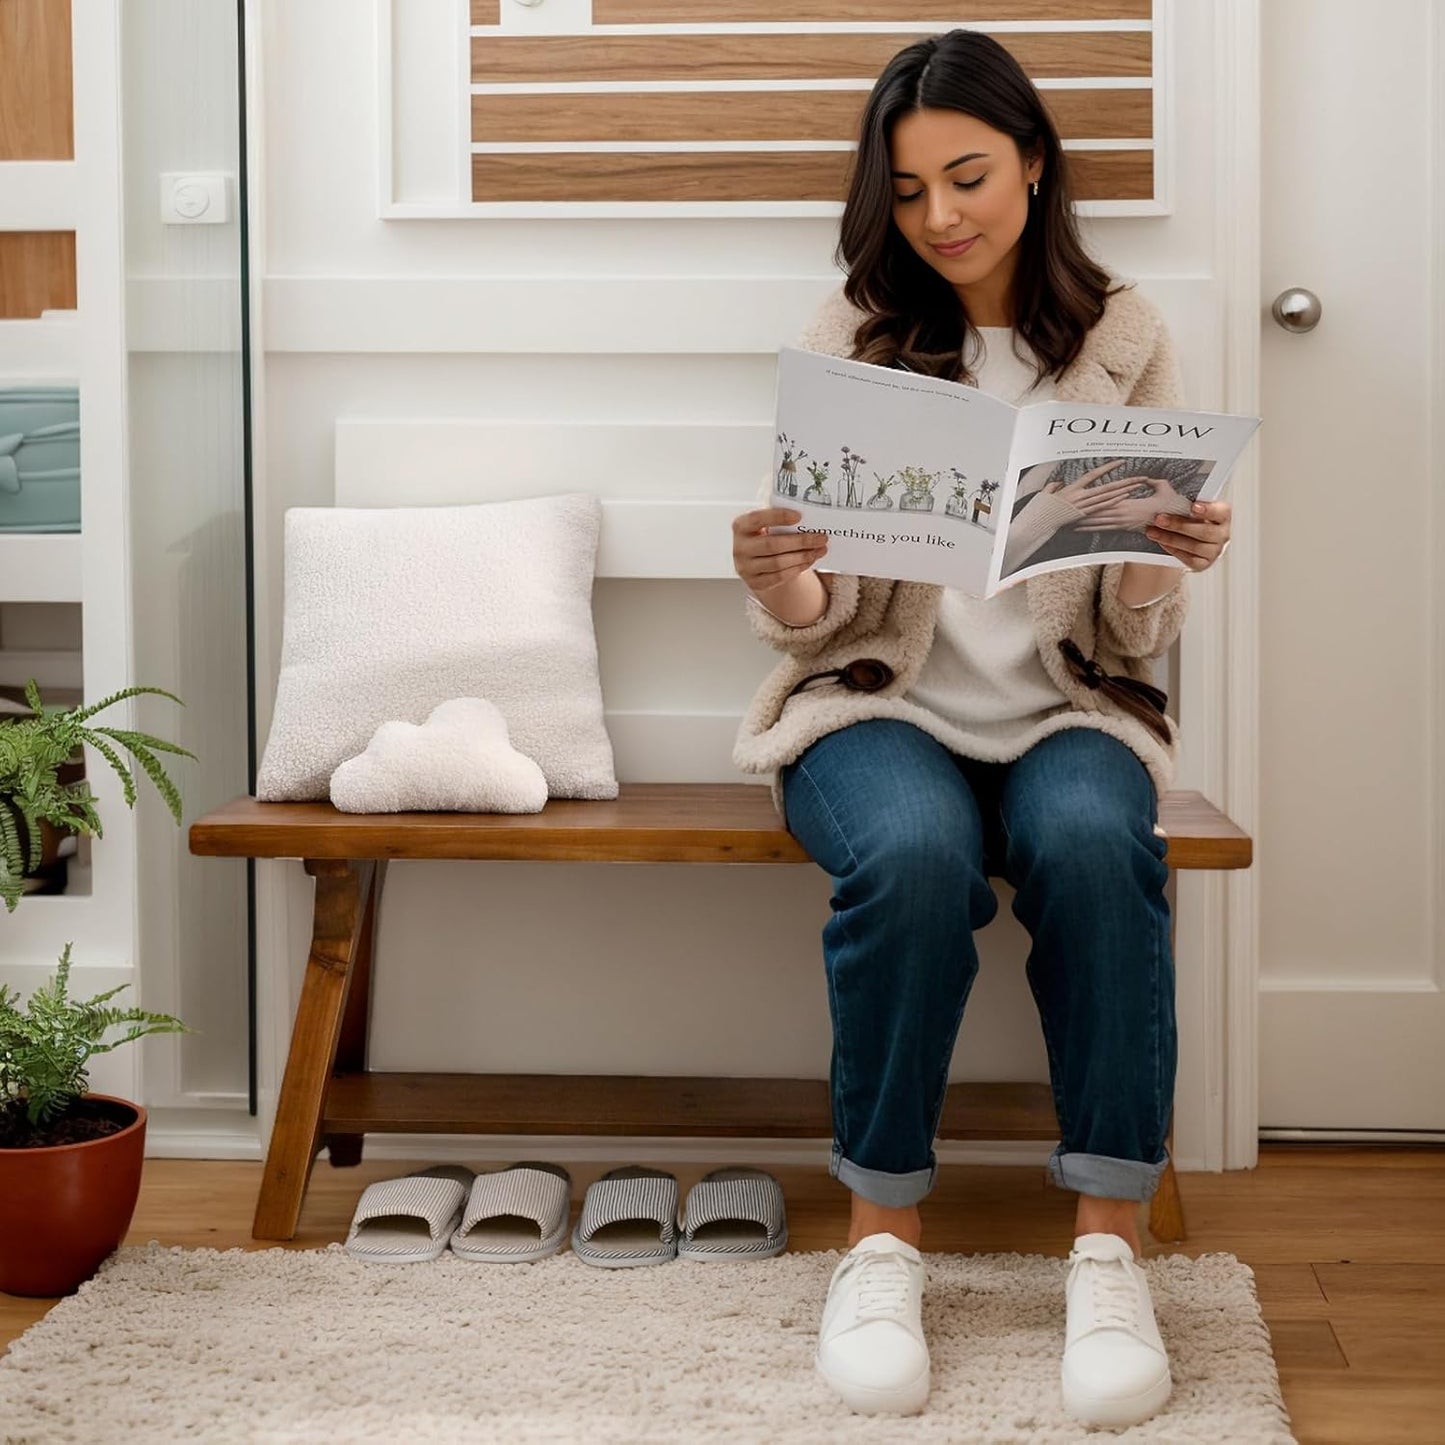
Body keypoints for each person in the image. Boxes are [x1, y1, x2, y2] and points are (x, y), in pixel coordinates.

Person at [729, 29, 1232, 1431]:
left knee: (1094, 847)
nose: (940, 216)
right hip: (877, 707)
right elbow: (818, 620)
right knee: (912, 857)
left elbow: (1132, 631)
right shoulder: (853, 336)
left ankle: (1108, 1253)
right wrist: (779, 577)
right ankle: (880, 1243)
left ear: (1033, 163)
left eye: (967, 176)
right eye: (905, 191)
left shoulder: (1126, 338)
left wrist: (1167, 560)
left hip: (1069, 709)